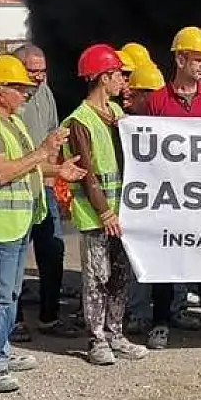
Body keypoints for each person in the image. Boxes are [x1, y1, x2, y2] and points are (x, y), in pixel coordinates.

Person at [0, 55, 82, 391]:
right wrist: (44, 151)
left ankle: (2, 349)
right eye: (19, 88)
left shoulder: (11, 122)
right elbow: (0, 172)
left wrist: (58, 170)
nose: (27, 93)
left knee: (11, 293)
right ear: (0, 92)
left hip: (16, 221)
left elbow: (25, 165)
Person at [136, 25, 201, 348]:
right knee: (166, 259)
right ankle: (161, 321)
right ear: (180, 59)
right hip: (169, 199)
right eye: (198, 59)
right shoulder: (157, 102)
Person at [63, 45, 148, 366]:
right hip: (97, 216)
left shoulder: (117, 114)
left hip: (124, 215)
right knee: (97, 279)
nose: (124, 80)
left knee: (119, 276)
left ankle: (116, 333)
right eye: (119, 75)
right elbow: (85, 173)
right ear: (103, 77)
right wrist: (104, 211)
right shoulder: (79, 121)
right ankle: (97, 339)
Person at [9, 44, 79, 339]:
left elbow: (52, 136)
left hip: (44, 185)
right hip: (17, 187)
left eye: (42, 71)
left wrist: (52, 175)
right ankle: (13, 320)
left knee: (52, 249)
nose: (39, 77)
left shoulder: (45, 92)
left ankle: (50, 316)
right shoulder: (10, 100)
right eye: (32, 71)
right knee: (14, 257)